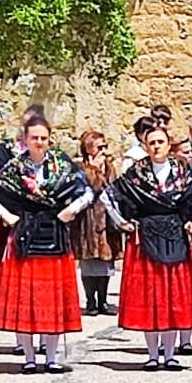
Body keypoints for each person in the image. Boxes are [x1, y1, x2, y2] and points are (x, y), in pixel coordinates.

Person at [0, 114, 93, 374]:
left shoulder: (61, 165)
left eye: (44, 138)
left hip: (54, 234)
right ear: (25, 139)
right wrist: (5, 214)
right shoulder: (13, 167)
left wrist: (72, 209)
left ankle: (51, 358)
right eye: (35, 138)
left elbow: (87, 191)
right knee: (27, 301)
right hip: (24, 236)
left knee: (51, 301)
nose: (40, 142)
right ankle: (29, 359)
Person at [106, 125, 192, 370]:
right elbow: (109, 196)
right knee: (150, 296)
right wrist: (122, 222)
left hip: (175, 233)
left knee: (173, 296)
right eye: (151, 142)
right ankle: (153, 355)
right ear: (145, 146)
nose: (156, 146)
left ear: (168, 144)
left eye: (160, 142)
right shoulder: (136, 172)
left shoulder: (185, 170)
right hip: (146, 236)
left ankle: (170, 354)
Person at [70, 128, 123, 316]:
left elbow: (113, 189)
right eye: (99, 147)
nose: (103, 151)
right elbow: (90, 188)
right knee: (89, 261)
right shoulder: (80, 167)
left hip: (106, 219)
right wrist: (94, 170)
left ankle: (103, 300)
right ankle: (90, 300)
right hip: (88, 218)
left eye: (105, 146)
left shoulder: (109, 167)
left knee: (105, 262)